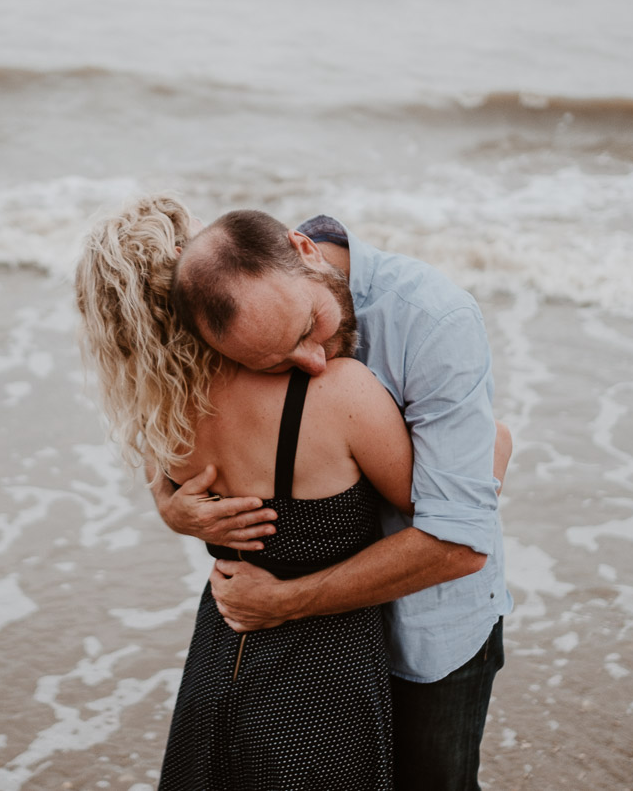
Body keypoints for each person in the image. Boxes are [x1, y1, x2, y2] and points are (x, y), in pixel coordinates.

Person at [75, 194, 428, 789]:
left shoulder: (162, 415)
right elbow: (435, 513)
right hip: (323, 679)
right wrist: (496, 445)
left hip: (218, 657)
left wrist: (170, 511)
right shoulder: (339, 392)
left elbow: (171, 498)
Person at [159, 209, 512, 791]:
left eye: (309, 329)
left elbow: (459, 544)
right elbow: (156, 410)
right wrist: (169, 506)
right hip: (315, 658)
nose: (314, 362)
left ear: (304, 248)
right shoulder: (235, 301)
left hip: (428, 633)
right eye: (275, 365)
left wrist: (284, 603)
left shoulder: (432, 318)